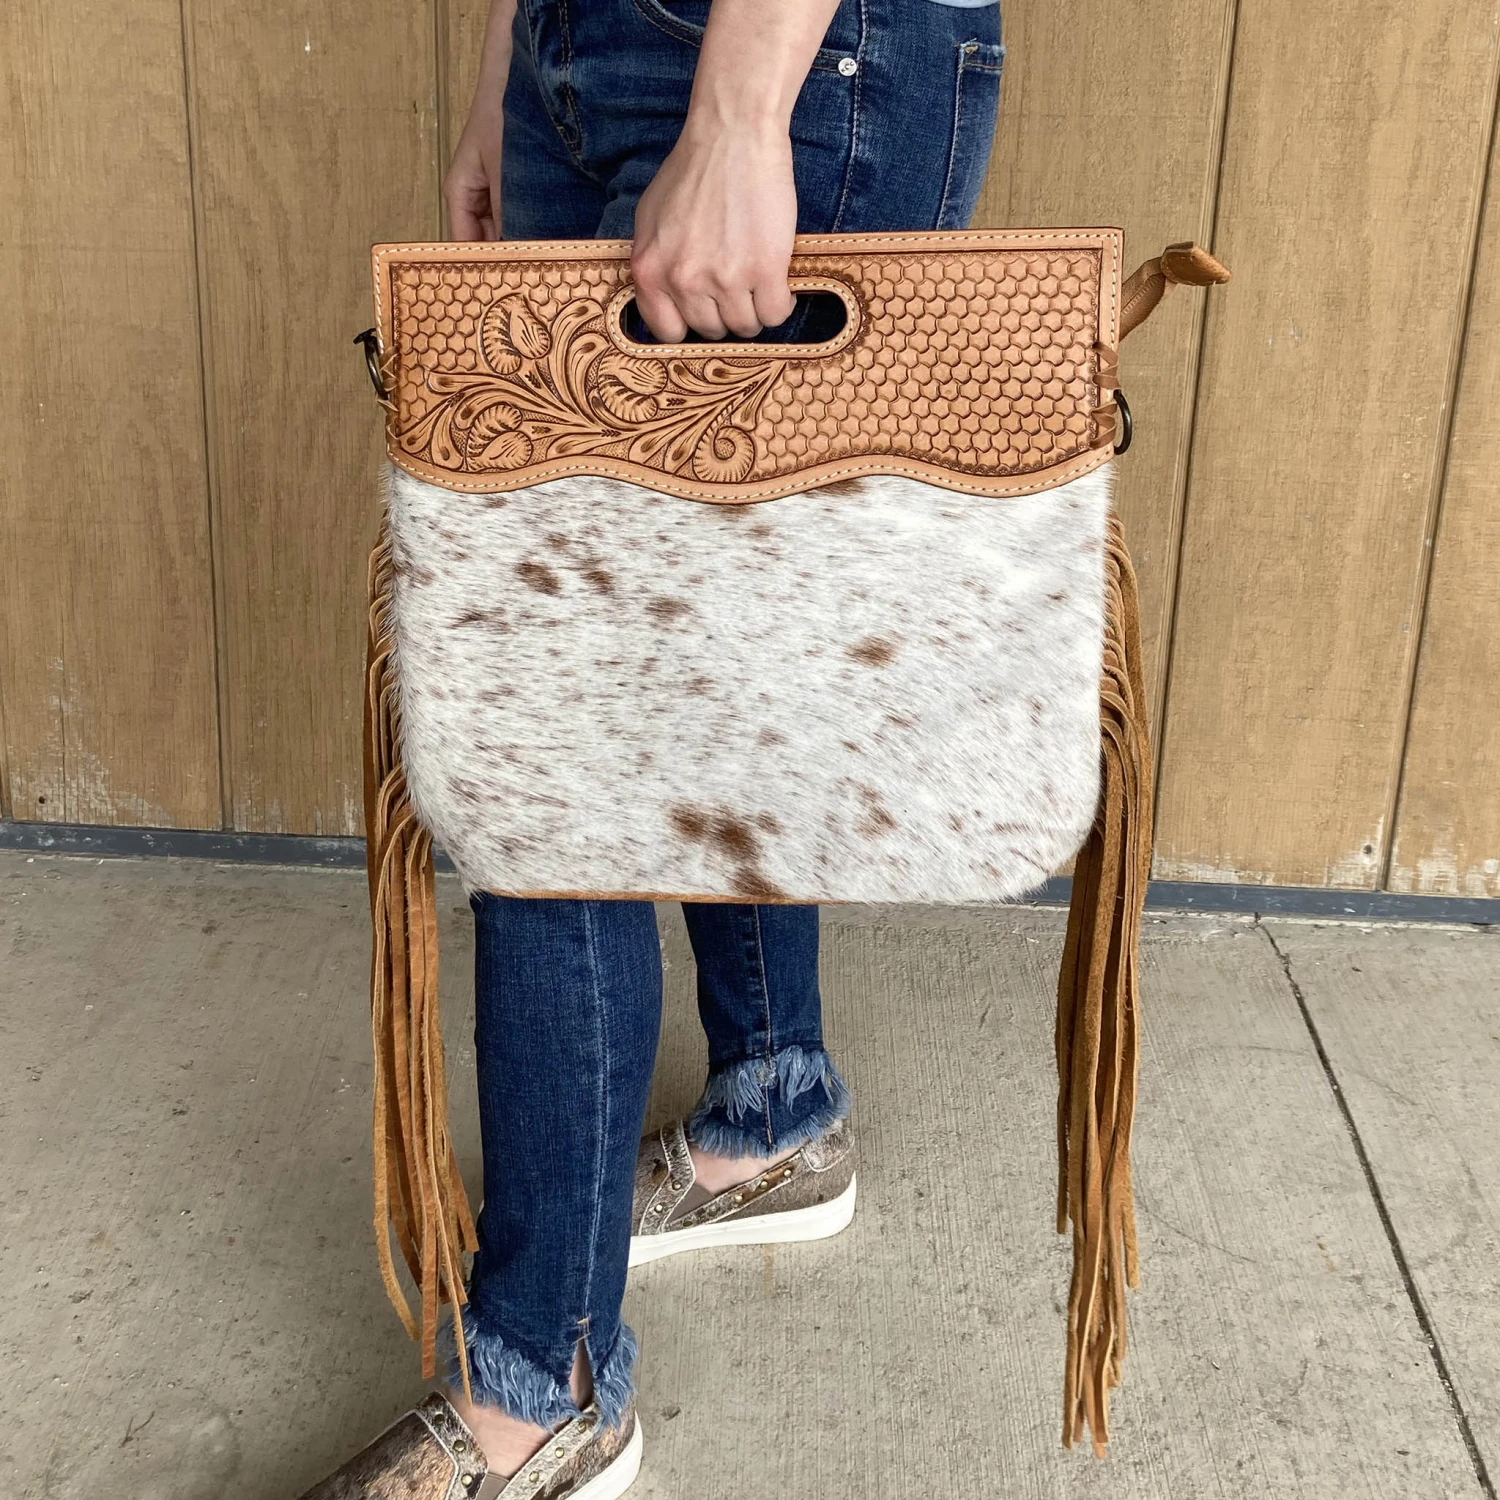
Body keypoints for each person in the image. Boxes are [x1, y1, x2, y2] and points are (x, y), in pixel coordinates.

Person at [306, 0, 1000, 1493]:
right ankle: (773, 1104)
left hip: (798, 51)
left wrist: (747, 107)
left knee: (570, 727)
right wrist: (513, 54)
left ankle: (537, 1391)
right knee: (702, 657)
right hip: (596, 47)